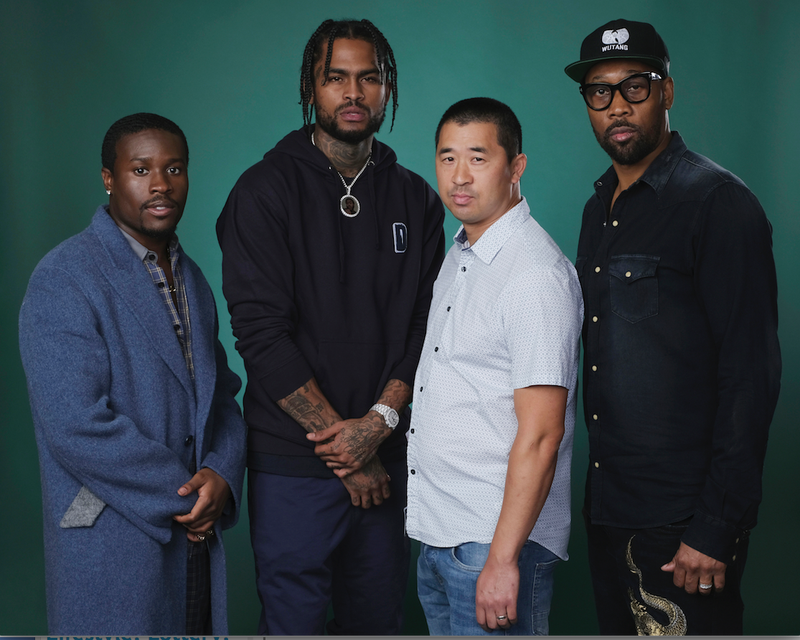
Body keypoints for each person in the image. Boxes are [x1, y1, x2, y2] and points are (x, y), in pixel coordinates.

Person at [216, 18, 446, 635]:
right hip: (294, 465)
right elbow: (261, 334)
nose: (353, 93)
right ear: (310, 89)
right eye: (335, 78)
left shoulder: (417, 199)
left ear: (387, 88)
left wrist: (377, 426)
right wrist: (346, 452)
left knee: (378, 624)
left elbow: (428, 328)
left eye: (368, 78)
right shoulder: (263, 192)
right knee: (294, 626)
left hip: (389, 463)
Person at [565, 19, 781, 635]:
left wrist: (716, 525)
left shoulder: (717, 203)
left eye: (635, 85)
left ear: (667, 91)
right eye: (599, 92)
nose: (617, 106)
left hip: (684, 523)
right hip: (610, 507)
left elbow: (751, 374)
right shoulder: (596, 207)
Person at [18, 113, 247, 634]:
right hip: (114, 538)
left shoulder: (193, 278)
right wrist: (189, 495)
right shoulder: (65, 275)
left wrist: (222, 475)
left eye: (174, 168)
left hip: (194, 541)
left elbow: (224, 400)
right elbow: (75, 424)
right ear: (108, 178)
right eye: (140, 169)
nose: (160, 184)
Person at [405, 97, 583, 636]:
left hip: (496, 543)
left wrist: (502, 560)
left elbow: (542, 433)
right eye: (447, 158)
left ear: (516, 167)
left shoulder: (533, 275)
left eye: (478, 158)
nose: (459, 177)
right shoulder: (461, 254)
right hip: (443, 534)